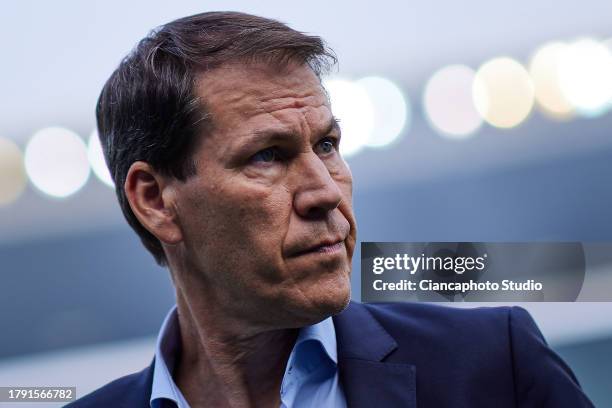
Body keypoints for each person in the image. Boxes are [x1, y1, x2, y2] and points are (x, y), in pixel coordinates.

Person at [67, 11, 593, 408]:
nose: (324, 192)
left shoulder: (493, 365)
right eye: (267, 156)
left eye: (327, 145)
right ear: (155, 200)